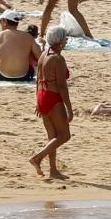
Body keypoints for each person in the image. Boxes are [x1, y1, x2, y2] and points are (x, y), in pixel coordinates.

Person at [31, 25, 72, 180]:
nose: (67, 41)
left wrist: (38, 100)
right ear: (60, 41)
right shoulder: (58, 58)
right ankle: (37, 158)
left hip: (42, 94)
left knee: (52, 136)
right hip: (53, 96)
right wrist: (69, 108)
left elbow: (37, 79)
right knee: (64, 135)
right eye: (65, 39)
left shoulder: (43, 54)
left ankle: (53, 170)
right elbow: (62, 85)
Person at [0, 10, 38, 81]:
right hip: (25, 76)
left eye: (0, 21)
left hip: (2, 76)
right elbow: (40, 56)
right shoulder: (28, 37)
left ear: (4, 22)